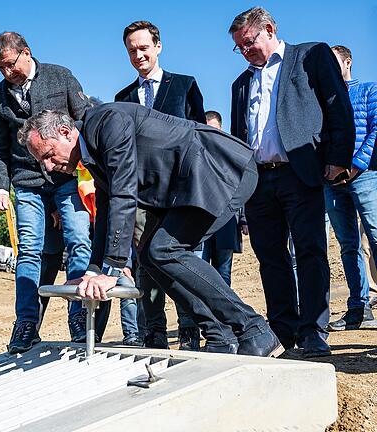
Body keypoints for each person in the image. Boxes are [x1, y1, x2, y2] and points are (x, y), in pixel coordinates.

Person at [19, 104, 284, 357]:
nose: (49, 167)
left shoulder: (107, 122)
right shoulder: (90, 153)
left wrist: (113, 268)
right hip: (188, 187)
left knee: (165, 249)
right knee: (149, 254)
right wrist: (95, 268)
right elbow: (105, 209)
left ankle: (254, 329)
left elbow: (124, 193)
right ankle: (219, 334)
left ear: (65, 132)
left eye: (48, 155)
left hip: (220, 169)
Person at [228, 7, 355, 358]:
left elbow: (338, 107)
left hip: (299, 173)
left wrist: (338, 157)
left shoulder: (309, 57)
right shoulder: (240, 84)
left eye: (249, 42)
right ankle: (283, 330)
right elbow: (241, 136)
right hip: (258, 180)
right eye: (239, 47)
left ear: (268, 29)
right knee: (270, 258)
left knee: (310, 251)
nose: (245, 51)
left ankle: (315, 330)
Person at [0, 31, 92, 354]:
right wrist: (1, 186)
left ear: (26, 53)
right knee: (29, 249)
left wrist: (90, 175)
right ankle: (27, 323)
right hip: (27, 183)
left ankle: (78, 317)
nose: (7, 73)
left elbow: (84, 122)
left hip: (66, 178)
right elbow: (0, 146)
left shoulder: (61, 77)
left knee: (79, 240)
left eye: (9, 65)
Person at [109, 20, 207, 351]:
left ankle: (190, 331)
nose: (138, 55)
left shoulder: (184, 85)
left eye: (143, 48)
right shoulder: (122, 98)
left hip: (181, 192)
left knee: (182, 260)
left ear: (158, 46)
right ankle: (154, 334)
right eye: (131, 50)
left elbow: (201, 137)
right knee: (146, 264)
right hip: (143, 196)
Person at [325, 45, 377, 331]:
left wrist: (356, 164)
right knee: (348, 246)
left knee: (376, 237)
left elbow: (375, 128)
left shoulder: (369, 91)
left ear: (348, 62)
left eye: (336, 62)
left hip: (365, 175)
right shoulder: (324, 100)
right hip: (332, 183)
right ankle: (359, 308)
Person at [200, 111, 248, 287]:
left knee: (223, 272)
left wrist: (243, 218)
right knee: (201, 270)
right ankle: (205, 314)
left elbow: (242, 187)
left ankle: (224, 314)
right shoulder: (197, 151)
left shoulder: (232, 151)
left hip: (226, 222)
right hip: (200, 223)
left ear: (221, 128)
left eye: (214, 128)